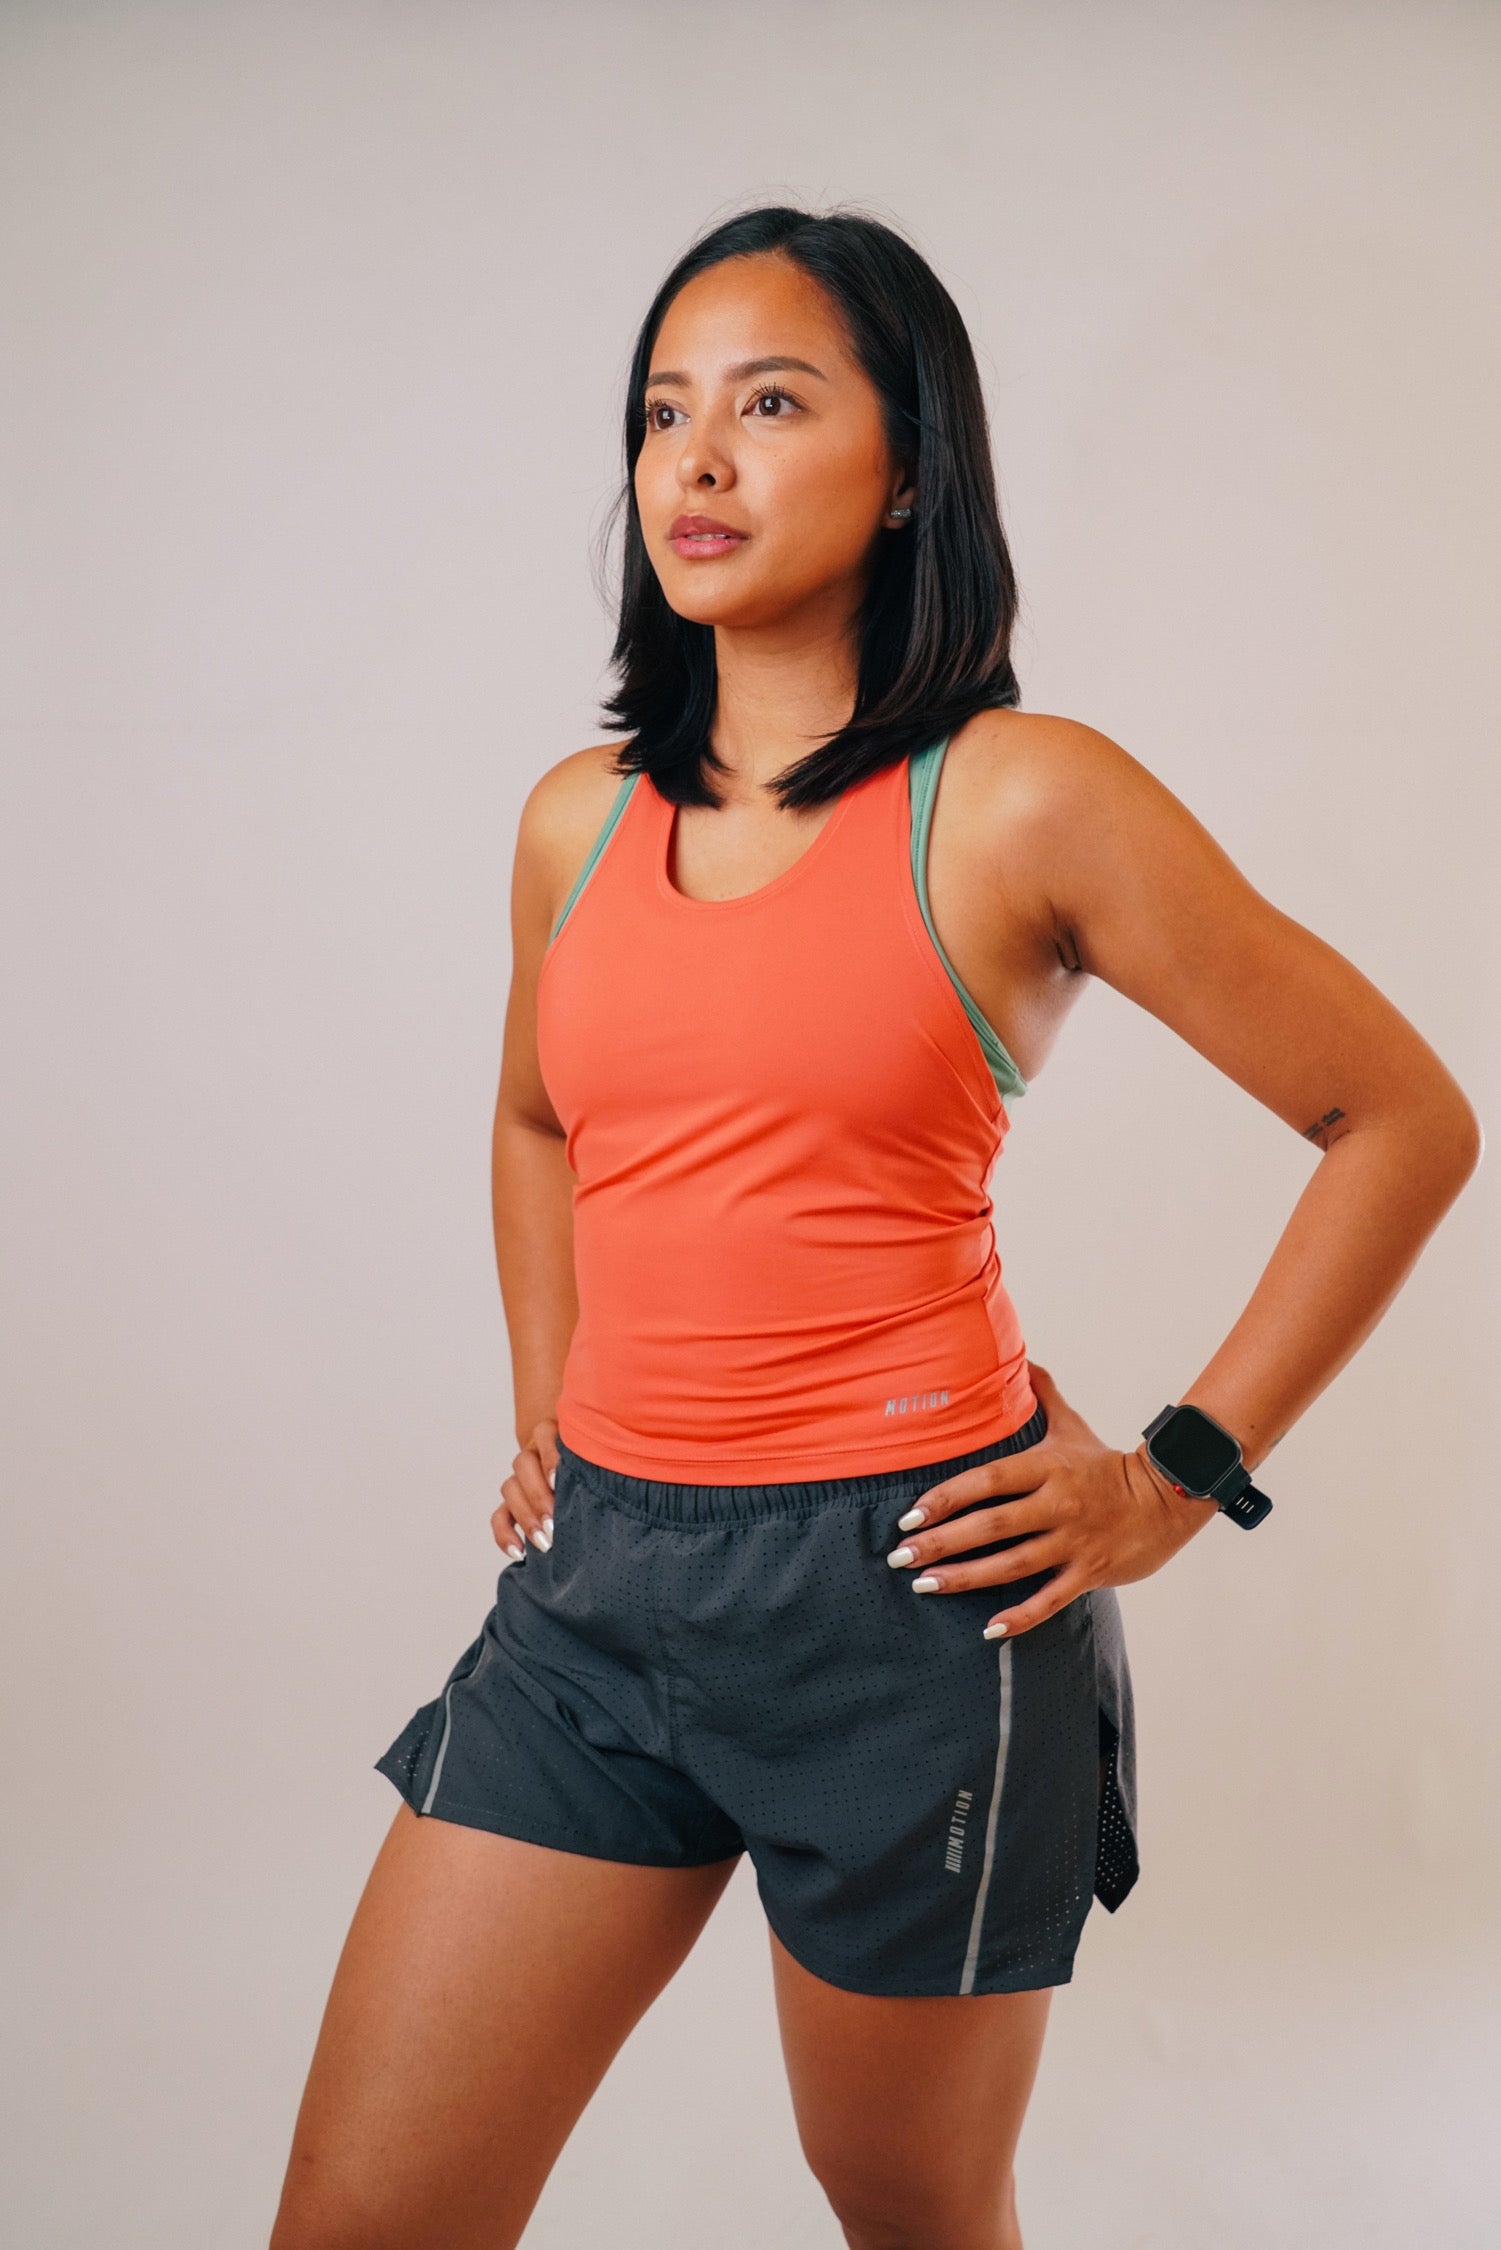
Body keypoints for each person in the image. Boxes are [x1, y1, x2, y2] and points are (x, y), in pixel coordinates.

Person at [269, 206, 1481, 2250]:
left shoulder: (1017, 800)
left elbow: (1400, 1119)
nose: (695, 457)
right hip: (594, 1600)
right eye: (662, 411)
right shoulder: (578, 819)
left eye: (768, 404)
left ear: (909, 466)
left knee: (907, 2205)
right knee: (365, 2214)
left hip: (911, 1602)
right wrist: (549, 1392)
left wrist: (1172, 1479)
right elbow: (537, 1113)